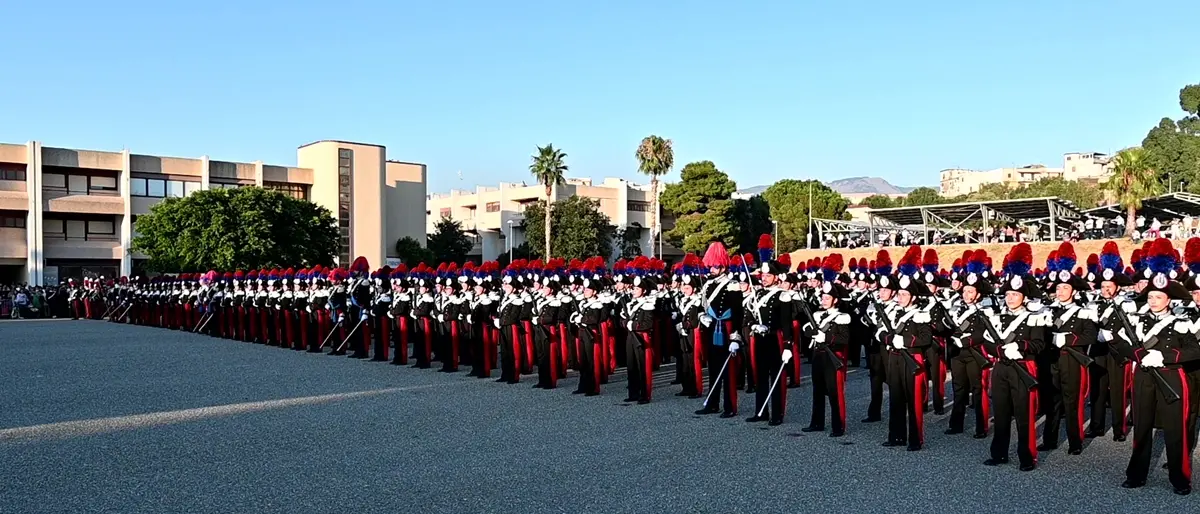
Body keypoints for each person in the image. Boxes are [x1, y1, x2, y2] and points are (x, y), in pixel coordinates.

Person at [1118, 238, 1197, 496]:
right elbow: (1119, 341)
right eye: (1150, 296)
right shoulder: (1136, 320)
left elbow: (1195, 350)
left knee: (1175, 429)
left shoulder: (1180, 322)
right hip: (1143, 377)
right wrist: (1138, 353)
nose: (1153, 301)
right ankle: (1136, 474)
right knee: (1141, 427)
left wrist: (1166, 356)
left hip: (1171, 377)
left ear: (1169, 299)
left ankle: (1180, 478)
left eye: (1158, 297)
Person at [983, 242, 1048, 472]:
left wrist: (1020, 346)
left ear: (1024, 295)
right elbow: (987, 342)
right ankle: (999, 453)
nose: (1010, 298)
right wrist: (999, 351)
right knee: (1000, 413)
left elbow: (1040, 344)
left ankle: (1027, 456)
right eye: (1008, 294)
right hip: (1001, 368)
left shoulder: (1033, 317)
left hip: (1023, 367)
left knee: (1024, 416)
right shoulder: (997, 317)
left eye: (1015, 294)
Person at [1040, 242, 1099, 455]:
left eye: (1065, 288)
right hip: (1053, 360)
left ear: (1073, 291)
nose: (1061, 291)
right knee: (1051, 401)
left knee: (1071, 402)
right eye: (1058, 288)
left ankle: (1075, 441)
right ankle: (1049, 439)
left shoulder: (1083, 312)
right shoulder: (1049, 310)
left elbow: (1091, 335)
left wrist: (1068, 339)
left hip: (1072, 361)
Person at [801, 254, 852, 435]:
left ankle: (838, 425)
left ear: (835, 300)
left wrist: (826, 338)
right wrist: (811, 332)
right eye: (822, 297)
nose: (823, 300)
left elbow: (843, 339)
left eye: (827, 298)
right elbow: (807, 330)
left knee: (834, 392)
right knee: (817, 390)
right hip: (818, 355)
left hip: (833, 356)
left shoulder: (842, 317)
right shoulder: (817, 315)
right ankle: (817, 422)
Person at [947, 250, 994, 439]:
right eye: (965, 290)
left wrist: (967, 340)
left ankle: (981, 426)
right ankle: (956, 423)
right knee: (958, 388)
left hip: (975, 352)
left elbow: (985, 332)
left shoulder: (985, 309)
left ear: (978, 293)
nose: (966, 294)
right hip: (958, 353)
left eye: (970, 291)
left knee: (978, 389)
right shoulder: (956, 305)